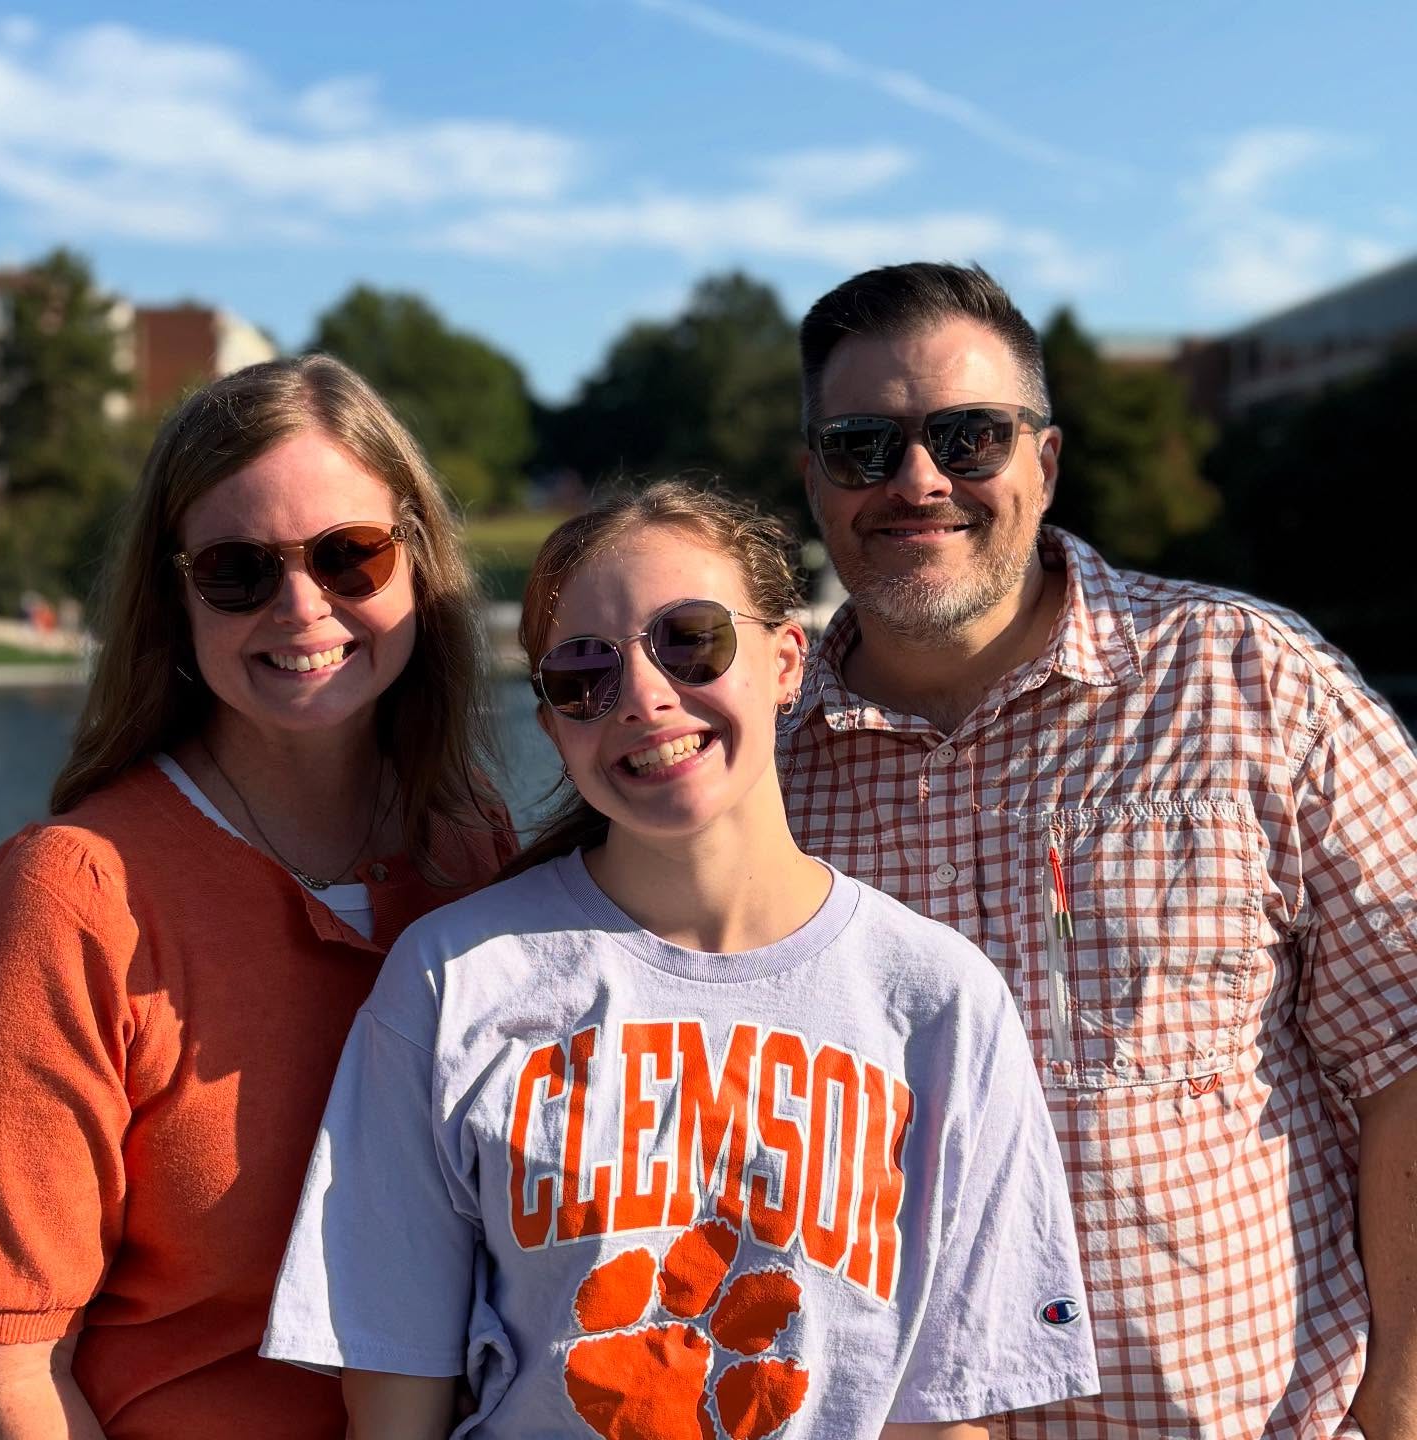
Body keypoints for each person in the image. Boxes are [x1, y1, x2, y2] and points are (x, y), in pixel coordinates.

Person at [259, 480, 1101, 1438]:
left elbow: (949, 1407)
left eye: (691, 640)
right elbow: (394, 1388)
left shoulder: (939, 1001)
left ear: (789, 659)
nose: (645, 698)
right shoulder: (455, 979)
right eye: (583, 675)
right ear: (551, 723)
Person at [780, 261, 1417, 1439]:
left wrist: (1406, 1394)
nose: (919, 482)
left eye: (970, 438)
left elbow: (1408, 1051)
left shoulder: (1251, 686)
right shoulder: (756, 768)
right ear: (814, 478)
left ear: (1047, 463)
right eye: (865, 446)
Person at [0, 356, 517, 1440]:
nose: (303, 606)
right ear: (175, 600)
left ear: (417, 565)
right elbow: (9, 1375)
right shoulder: (78, 895)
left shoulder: (475, 848)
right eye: (238, 570)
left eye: (350, 555)